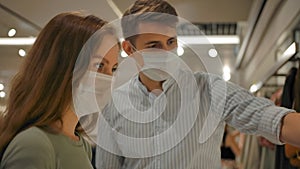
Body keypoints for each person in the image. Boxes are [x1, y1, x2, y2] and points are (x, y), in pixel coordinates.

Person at [96, 0, 300, 168]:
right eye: (154, 46)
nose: (168, 54)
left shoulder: (209, 90)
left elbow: (269, 118)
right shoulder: (113, 107)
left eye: (171, 42)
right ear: (130, 49)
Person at [0, 12, 119, 169]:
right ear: (64, 67)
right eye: (99, 65)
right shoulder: (35, 145)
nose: (109, 79)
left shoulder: (81, 144)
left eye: (114, 69)